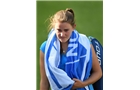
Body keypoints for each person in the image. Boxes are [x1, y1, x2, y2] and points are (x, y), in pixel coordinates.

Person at [39, 8, 102, 90]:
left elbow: (98, 72)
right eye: (59, 30)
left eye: (66, 30)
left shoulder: (85, 45)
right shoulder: (46, 48)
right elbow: (44, 82)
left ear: (73, 27)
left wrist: (83, 84)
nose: (62, 34)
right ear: (54, 28)